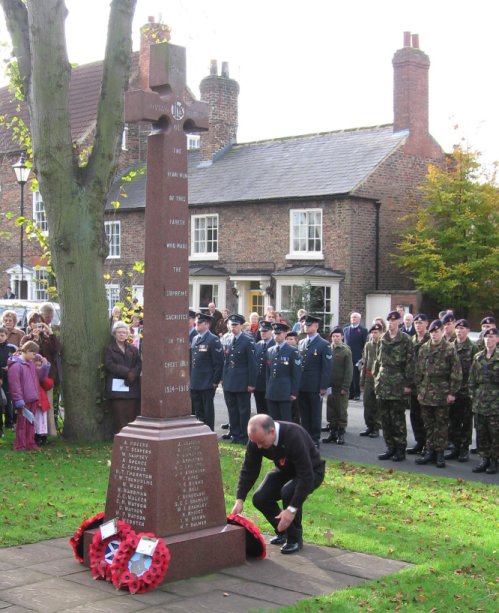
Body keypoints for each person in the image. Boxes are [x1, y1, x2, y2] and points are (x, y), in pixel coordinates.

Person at [231, 414, 325, 555]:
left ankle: (294, 539)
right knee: (260, 498)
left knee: (289, 492)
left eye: (261, 442)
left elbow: (306, 476)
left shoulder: (294, 435)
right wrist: (240, 498)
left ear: (272, 432)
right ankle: (283, 531)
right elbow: (250, 468)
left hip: (311, 472)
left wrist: (291, 509)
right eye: (255, 442)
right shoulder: (256, 440)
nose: (259, 446)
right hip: (285, 469)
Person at [415, 319, 462, 468]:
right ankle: (429, 451)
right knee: (428, 424)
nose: (434, 334)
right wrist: (419, 390)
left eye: (437, 331)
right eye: (432, 332)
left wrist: (452, 392)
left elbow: (456, 372)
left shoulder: (449, 348)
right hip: (426, 391)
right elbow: (418, 372)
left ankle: (440, 453)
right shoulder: (424, 349)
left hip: (442, 391)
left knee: (441, 425)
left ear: (442, 331)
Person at [374, 310, 415, 462]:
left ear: (399, 322)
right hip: (384, 382)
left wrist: (408, 383)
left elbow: (410, 363)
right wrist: (376, 377)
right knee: (385, 418)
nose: (391, 323)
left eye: (394, 321)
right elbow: (377, 361)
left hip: (398, 382)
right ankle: (390, 447)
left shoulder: (405, 339)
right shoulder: (383, 338)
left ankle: (400, 449)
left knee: (397, 418)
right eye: (389, 321)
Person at [445, 319, 479, 462]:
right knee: (453, 421)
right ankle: (455, 447)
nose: (460, 331)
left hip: (466, 391)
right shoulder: (450, 347)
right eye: (458, 328)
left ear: (468, 331)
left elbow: (475, 372)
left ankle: (464, 448)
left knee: (466, 422)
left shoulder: (473, 348)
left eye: (463, 328)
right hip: (453, 390)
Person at [7, 341, 50, 451]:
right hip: (23, 400)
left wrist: (45, 366)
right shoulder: (16, 366)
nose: (35, 356)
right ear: (27, 351)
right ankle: (20, 444)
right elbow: (15, 385)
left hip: (33, 398)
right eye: (34, 353)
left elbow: (39, 377)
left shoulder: (30, 363)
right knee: (22, 423)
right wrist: (18, 400)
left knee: (31, 423)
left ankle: (30, 442)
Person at [222, 314, 257, 445]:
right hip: (229, 380)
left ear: (241, 326)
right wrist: (223, 378)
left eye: (236, 325)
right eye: (231, 325)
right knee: (232, 409)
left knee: (243, 410)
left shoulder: (248, 340)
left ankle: (243, 435)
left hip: (243, 381)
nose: (233, 327)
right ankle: (235, 433)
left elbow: (252, 364)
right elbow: (224, 361)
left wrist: (251, 383)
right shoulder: (226, 339)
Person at [298, 315, 332, 447]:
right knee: (304, 413)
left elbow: (326, 368)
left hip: (315, 385)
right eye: (305, 325)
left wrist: (323, 386)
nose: (306, 326)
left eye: (309, 325)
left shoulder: (323, 344)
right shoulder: (301, 343)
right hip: (302, 384)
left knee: (315, 413)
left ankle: (314, 439)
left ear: (316, 326)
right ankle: (305, 437)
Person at [469, 327, 499, 474]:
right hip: (480, 402)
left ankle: (494, 461)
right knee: (481, 433)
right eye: (487, 337)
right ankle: (484, 459)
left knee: (495, 433)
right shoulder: (478, 357)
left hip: (495, 403)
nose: (489, 339)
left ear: (497, 339)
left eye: (492, 336)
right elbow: (472, 380)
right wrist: (473, 396)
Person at [104, 320, 142, 434]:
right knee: (120, 416)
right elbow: (109, 364)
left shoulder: (133, 349)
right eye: (119, 332)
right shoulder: (110, 349)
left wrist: (133, 374)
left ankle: (131, 437)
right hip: (117, 389)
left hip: (132, 387)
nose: (121, 334)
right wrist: (127, 372)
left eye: (124, 332)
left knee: (131, 415)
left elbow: (139, 364)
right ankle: (121, 438)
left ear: (127, 334)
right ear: (114, 334)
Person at [190, 312, 224, 431]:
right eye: (196, 322)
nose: (196, 324)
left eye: (199, 323)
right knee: (197, 408)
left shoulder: (213, 339)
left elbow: (218, 363)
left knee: (207, 409)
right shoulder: (195, 338)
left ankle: (208, 431)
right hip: (195, 381)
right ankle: (199, 430)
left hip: (207, 381)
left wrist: (215, 381)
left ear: (206, 324)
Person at [265, 322, 301, 422]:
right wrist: (268, 389)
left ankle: (286, 438)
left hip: (285, 391)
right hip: (272, 391)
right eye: (275, 333)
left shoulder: (292, 351)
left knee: (285, 420)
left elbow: (296, 374)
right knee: (274, 420)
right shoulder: (270, 350)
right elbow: (268, 373)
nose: (276, 336)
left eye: (279, 333)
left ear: (285, 334)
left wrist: (294, 392)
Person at [322, 327, 352, 445]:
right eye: (333, 336)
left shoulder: (345, 351)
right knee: (331, 408)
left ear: (342, 337)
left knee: (341, 409)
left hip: (340, 386)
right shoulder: (328, 349)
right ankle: (332, 431)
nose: (335, 338)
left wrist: (345, 387)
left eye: (337, 336)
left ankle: (341, 432)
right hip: (330, 385)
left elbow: (349, 371)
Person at [407, 313, 431, 455]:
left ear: (426, 324)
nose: (418, 325)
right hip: (414, 384)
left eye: (421, 322)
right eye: (416, 323)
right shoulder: (412, 340)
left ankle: (428, 445)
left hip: (427, 386)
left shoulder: (430, 340)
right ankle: (419, 442)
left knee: (426, 417)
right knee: (414, 415)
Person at [359, 322, 383, 438]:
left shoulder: (383, 344)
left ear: (381, 333)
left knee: (377, 404)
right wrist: (362, 380)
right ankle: (369, 425)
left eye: (376, 332)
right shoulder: (368, 345)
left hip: (379, 377)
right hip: (369, 376)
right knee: (367, 402)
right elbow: (365, 362)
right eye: (372, 332)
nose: (374, 335)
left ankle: (376, 427)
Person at [343, 312, 368, 400]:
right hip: (346, 356)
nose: (353, 319)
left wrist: (363, 356)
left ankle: (357, 394)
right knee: (348, 375)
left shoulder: (363, 330)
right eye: (352, 317)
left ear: (359, 319)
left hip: (357, 357)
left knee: (355, 376)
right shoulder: (345, 329)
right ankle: (350, 393)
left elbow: (364, 344)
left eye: (355, 317)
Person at [253, 320, 275, 415]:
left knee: (270, 411)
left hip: (269, 383)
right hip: (258, 384)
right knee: (260, 410)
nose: (262, 333)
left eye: (265, 331)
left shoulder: (275, 345)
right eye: (261, 331)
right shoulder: (258, 345)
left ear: (271, 332)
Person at [0, 326, 17, 436]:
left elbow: (19, 359)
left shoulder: (12, 348)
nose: (0, 338)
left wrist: (10, 367)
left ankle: (9, 423)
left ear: (6, 336)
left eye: (2, 335)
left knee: (8, 401)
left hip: (8, 378)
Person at [286, 331, 302, 424]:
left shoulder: (297, 352)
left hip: (296, 384)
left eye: (291, 339)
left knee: (296, 409)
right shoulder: (284, 351)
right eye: (287, 339)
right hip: (286, 384)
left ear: (296, 340)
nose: (289, 341)